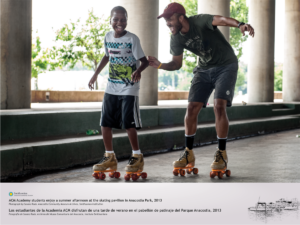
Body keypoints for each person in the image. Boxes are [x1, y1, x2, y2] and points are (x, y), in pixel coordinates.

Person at [148, 2, 254, 174]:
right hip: (204, 69)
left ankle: (221, 153)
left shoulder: (199, 21)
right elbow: (176, 64)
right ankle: (188, 153)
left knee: (219, 106)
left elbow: (222, 20)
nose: (167, 23)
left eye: (170, 18)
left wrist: (240, 24)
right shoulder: (175, 37)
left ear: (181, 17)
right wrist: (160, 65)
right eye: (165, 20)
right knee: (191, 108)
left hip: (226, 66)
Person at [88, 6, 149, 179]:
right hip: (112, 86)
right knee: (105, 122)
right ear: (110, 20)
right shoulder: (107, 37)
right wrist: (95, 74)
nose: (119, 23)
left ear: (127, 21)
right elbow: (107, 56)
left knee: (129, 123)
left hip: (129, 87)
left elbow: (143, 61)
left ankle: (137, 156)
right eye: (116, 19)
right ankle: (109, 156)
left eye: (123, 19)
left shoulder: (132, 39)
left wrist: (138, 71)